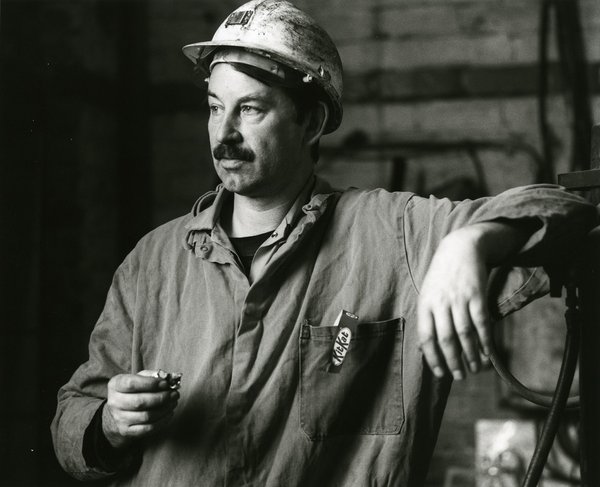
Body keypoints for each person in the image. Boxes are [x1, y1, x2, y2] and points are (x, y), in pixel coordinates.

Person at [51, 1, 598, 485]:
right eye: (215, 106)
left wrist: (472, 243)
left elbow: (573, 212)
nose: (224, 134)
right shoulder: (154, 262)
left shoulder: (391, 235)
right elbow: (73, 416)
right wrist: (109, 424)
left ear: (311, 122)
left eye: (250, 108)